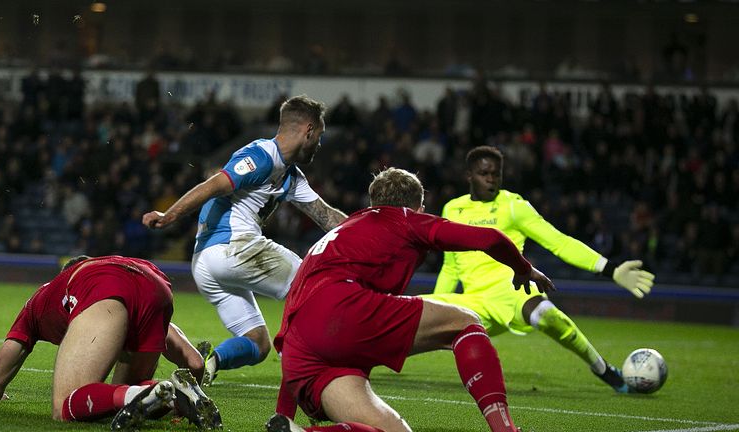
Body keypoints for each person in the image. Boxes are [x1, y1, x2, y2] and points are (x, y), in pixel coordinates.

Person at [267, 168, 555, 432]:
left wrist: (285, 414)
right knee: (466, 322)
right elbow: (491, 238)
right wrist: (523, 268)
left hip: (297, 345)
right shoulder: (405, 219)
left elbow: (303, 326)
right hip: (342, 309)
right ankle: (505, 429)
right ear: (418, 208)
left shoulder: (344, 231)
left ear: (371, 204)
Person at [142, 94, 347, 386]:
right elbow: (213, 184)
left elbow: (327, 217)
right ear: (309, 130)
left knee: (258, 343)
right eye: (320, 136)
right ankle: (313, 364)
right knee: (312, 282)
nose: (320, 144)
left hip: (206, 265)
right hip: (232, 248)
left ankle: (208, 364)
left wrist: (370, 230)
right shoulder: (262, 156)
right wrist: (170, 215)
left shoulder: (290, 176)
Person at [423, 145, 656, 393]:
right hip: (475, 301)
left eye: (496, 174)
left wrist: (610, 269)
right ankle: (375, 368)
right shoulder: (452, 209)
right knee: (408, 314)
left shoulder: (514, 206)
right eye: (484, 173)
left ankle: (603, 369)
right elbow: (450, 267)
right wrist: (439, 306)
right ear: (469, 175)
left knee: (546, 314)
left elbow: (558, 241)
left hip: (512, 290)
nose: (491, 179)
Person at [0, 255, 222, 431]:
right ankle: (172, 397)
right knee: (121, 397)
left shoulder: (43, 298)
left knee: (64, 407)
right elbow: (194, 362)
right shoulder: (113, 269)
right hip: (155, 282)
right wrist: (190, 394)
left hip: (104, 288)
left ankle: (144, 392)